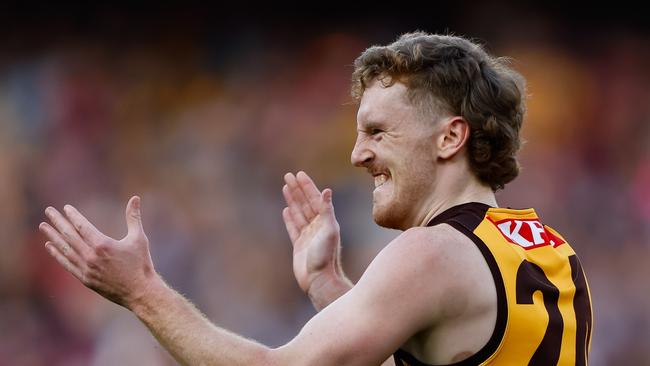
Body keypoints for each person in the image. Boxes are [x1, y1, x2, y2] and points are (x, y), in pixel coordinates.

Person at [39, 32, 593, 365]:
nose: (357, 155)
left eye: (379, 132)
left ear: (451, 137)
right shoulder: (554, 254)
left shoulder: (432, 253)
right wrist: (333, 289)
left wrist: (141, 292)